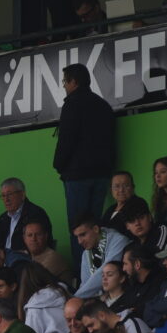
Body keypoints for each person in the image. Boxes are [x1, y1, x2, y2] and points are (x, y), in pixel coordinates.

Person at [54, 64, 115, 265]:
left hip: (77, 176)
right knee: (95, 227)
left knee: (78, 230)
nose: (64, 86)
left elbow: (66, 140)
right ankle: (100, 268)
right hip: (102, 174)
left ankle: (83, 273)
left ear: (74, 81)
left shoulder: (72, 104)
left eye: (65, 81)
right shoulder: (103, 105)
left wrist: (59, 165)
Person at [73, 214, 131, 299]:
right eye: (77, 237)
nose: (80, 241)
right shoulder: (86, 253)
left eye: (83, 235)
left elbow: (103, 274)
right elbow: (85, 284)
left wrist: (76, 297)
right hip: (100, 299)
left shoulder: (118, 241)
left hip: (124, 297)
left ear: (96, 229)